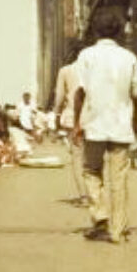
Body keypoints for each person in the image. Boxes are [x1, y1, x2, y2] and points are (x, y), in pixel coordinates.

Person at [73, 8, 137, 244]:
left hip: (94, 124)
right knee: (119, 180)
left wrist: (77, 122)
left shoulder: (86, 56)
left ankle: (101, 215)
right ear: (119, 31)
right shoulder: (129, 57)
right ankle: (117, 231)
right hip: (120, 126)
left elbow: (79, 92)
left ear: (96, 30)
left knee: (91, 171)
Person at [53, 42, 90, 206]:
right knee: (95, 158)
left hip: (73, 117)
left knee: (77, 157)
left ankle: (84, 196)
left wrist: (56, 115)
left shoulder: (66, 71)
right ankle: (96, 193)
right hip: (94, 117)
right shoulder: (94, 70)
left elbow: (59, 96)